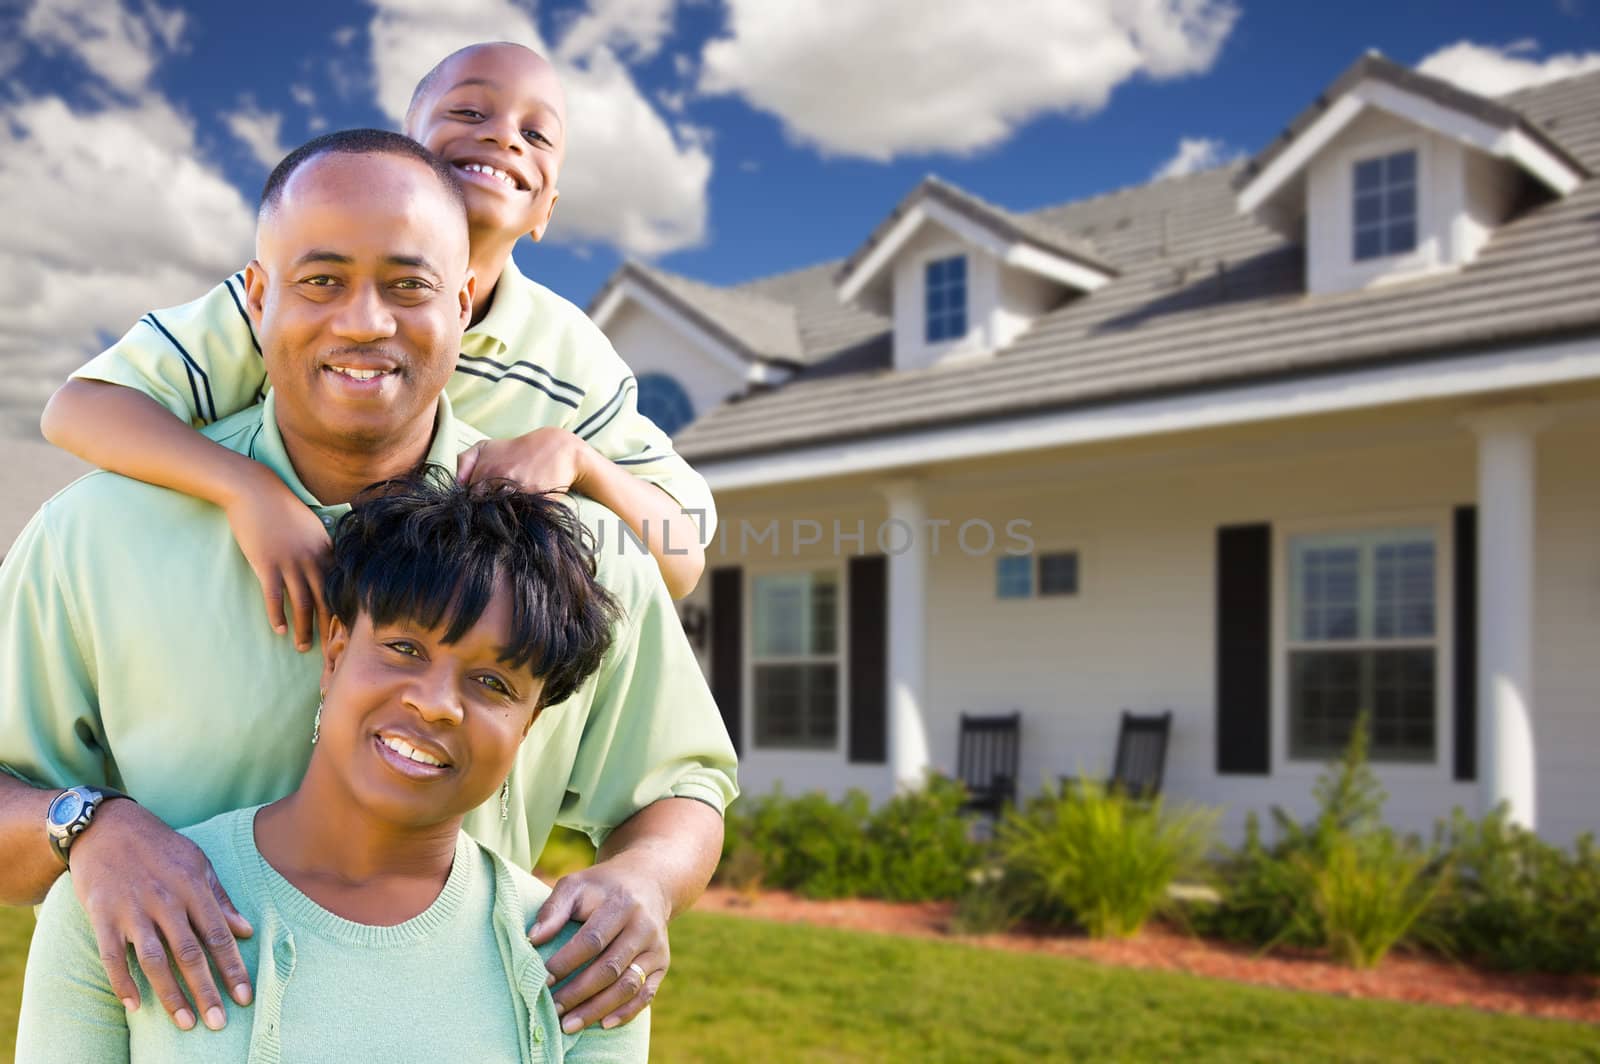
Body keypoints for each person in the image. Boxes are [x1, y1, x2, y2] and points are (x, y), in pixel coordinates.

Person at [0, 131, 735, 1040]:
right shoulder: (96, 535)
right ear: (258, 298)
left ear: (463, 304)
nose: (364, 322)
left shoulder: (574, 554)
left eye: (408, 284)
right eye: (321, 281)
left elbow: (682, 782)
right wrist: (89, 827)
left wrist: (645, 881)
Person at [41, 41, 710, 651]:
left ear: (547, 213)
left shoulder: (573, 359)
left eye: (536, 133)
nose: (503, 135)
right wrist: (246, 489)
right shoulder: (289, 304)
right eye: (470, 110)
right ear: (401, 154)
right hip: (242, 626)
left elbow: (681, 556)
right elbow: (79, 409)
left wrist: (581, 460)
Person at [17, 471, 649, 1062]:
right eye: (405, 648)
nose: (435, 704)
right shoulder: (124, 900)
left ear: (528, 727)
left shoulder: (586, 960)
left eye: (492, 682)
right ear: (336, 654)